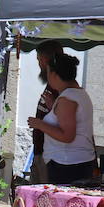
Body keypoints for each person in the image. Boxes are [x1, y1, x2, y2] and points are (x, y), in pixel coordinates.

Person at [26, 51, 97, 184]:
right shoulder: (78, 94)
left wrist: (40, 124)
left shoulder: (67, 99)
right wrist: (54, 106)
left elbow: (67, 136)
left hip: (66, 164)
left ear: (53, 74)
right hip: (74, 162)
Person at [29, 41, 65, 181]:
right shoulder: (53, 86)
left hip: (51, 155)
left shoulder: (60, 88)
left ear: (45, 60)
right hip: (42, 152)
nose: (39, 64)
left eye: (39, 60)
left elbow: (64, 121)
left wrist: (52, 108)